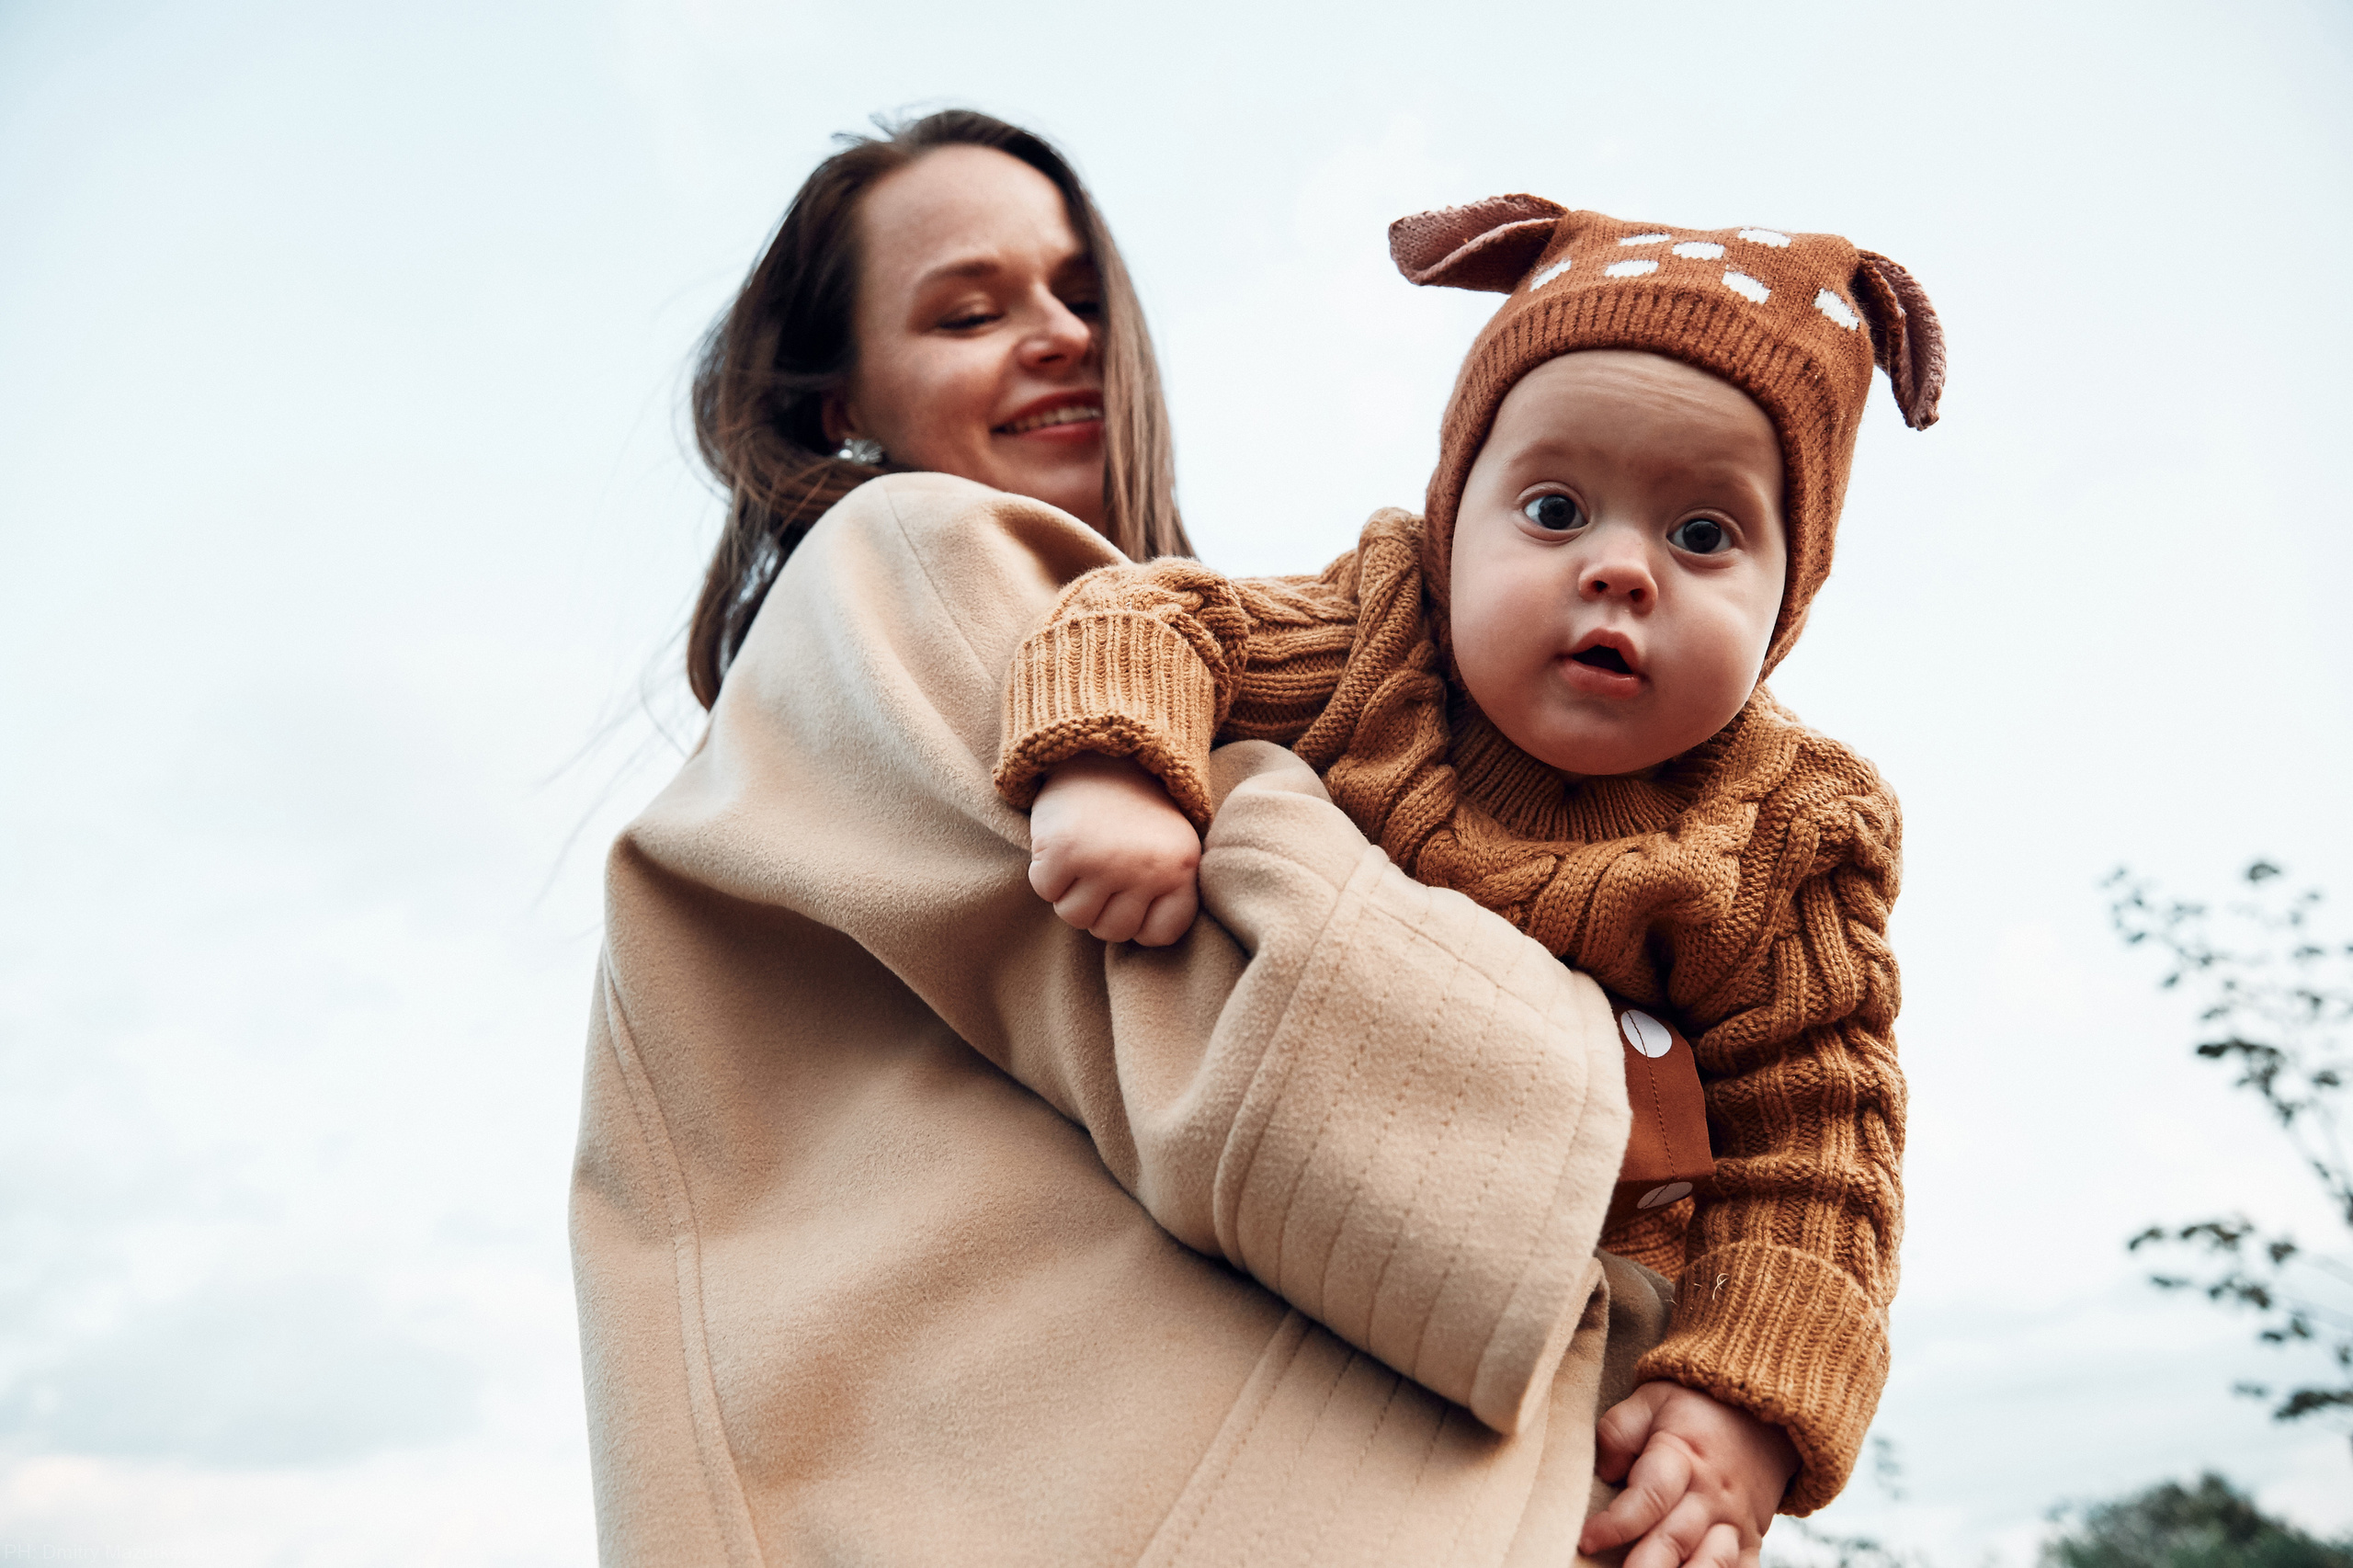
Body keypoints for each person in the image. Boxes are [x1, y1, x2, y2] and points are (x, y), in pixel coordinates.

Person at [574, 119, 1672, 1565]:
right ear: (838, 401)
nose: (1057, 337)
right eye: (968, 312)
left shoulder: (895, 702)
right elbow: (1273, 1026)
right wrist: (1679, 1079)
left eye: (1080, 295)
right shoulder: (912, 554)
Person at [995, 197, 1945, 1564]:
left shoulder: (1786, 826)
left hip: (1566, 1338)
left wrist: (1749, 1401)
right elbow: (1154, 608)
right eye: (1553, 509)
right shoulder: (1379, 634)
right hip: (1278, 1224)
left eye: (1705, 535)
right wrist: (1112, 764)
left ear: (1792, 597)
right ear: (1454, 522)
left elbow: (1822, 1131)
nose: (1619, 568)